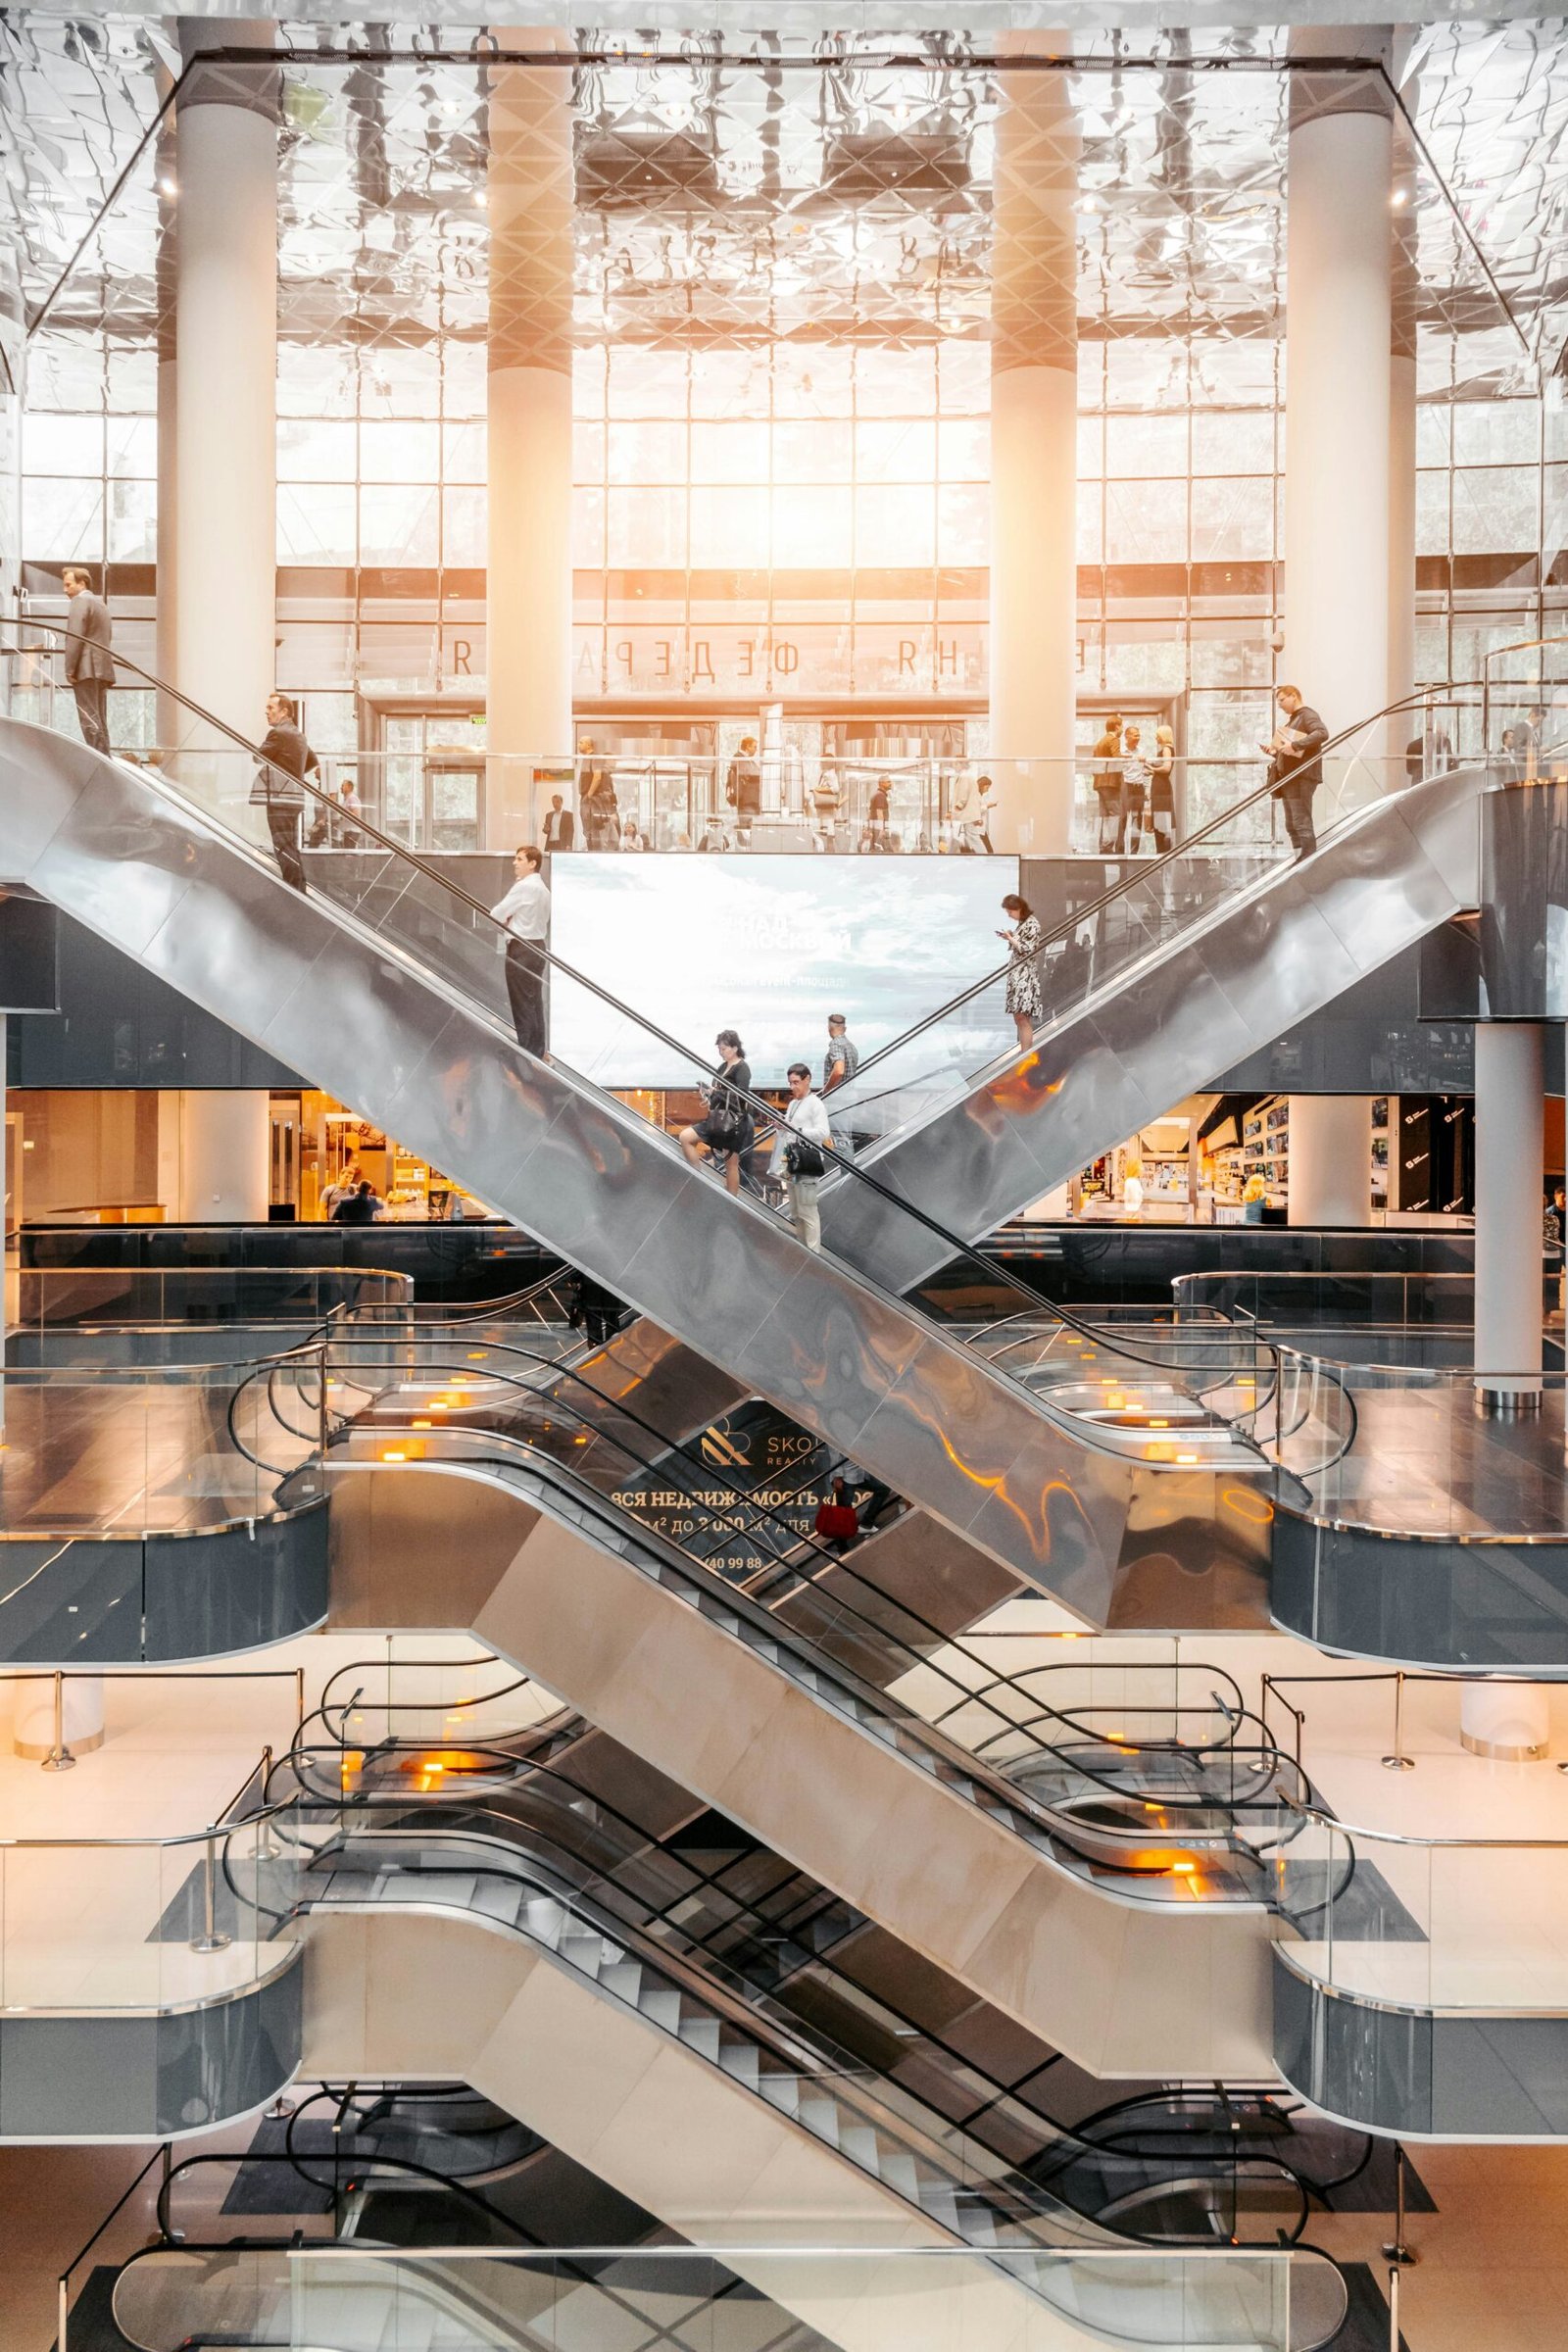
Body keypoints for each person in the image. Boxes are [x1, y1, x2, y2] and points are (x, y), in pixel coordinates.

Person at [251, 692, 319, 894]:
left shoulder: (278, 733)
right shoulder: (298, 734)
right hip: (294, 798)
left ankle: (293, 890)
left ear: (284, 711)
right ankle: (299, 887)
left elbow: (257, 757)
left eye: (271, 708)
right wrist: (291, 772)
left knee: (283, 847)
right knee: (290, 846)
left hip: (280, 799)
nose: (267, 711)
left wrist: (282, 774)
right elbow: (312, 761)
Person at [490, 844, 551, 1058]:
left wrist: (505, 920)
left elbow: (497, 913)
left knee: (521, 1003)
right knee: (534, 1002)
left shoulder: (524, 887)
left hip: (521, 948)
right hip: (538, 948)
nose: (515, 863)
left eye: (520, 859)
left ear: (532, 863)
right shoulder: (543, 889)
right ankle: (537, 1050)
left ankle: (525, 1053)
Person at [678, 1029, 754, 1199]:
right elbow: (718, 1092)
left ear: (735, 1048)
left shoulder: (742, 1068)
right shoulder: (723, 1067)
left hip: (733, 1121)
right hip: (718, 1118)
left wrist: (715, 1093)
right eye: (719, 1049)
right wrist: (709, 1093)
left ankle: (731, 1201)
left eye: (724, 1048)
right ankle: (699, 1178)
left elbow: (741, 1096)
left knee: (731, 1164)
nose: (721, 1052)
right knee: (686, 1137)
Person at [1262, 684, 1329, 861]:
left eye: (1282, 700)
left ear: (1294, 696)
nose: (1280, 705)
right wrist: (1275, 751)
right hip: (1290, 779)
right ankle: (1299, 859)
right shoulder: (1293, 719)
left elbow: (1322, 733)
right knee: (1292, 825)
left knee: (1301, 823)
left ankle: (1308, 863)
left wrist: (1295, 745)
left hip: (1301, 777)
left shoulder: (1307, 715)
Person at [772, 1059, 833, 1250]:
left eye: (796, 1082)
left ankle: (814, 1252)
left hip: (807, 1163)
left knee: (807, 1211)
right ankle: (803, 1248)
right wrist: (782, 1128)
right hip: (792, 1161)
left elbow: (823, 1132)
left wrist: (797, 1129)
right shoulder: (793, 1104)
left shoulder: (815, 1104)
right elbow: (790, 1131)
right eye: (790, 1083)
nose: (793, 1087)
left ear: (807, 1080)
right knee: (796, 1211)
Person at [61, 564, 114, 755]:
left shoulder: (79, 602)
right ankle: (105, 758)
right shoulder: (101, 604)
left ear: (82, 584)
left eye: (68, 585)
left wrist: (69, 669)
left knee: (88, 718)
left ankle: (98, 761)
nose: (65, 590)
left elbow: (75, 636)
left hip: (85, 669)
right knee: (99, 718)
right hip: (102, 669)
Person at [999, 892, 1044, 1054]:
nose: (1010, 915)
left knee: (1022, 1016)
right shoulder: (1024, 924)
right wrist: (1011, 937)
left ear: (1018, 908)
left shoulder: (1032, 924)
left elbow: (1027, 948)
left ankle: (1025, 1053)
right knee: (1019, 1016)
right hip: (1018, 974)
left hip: (1025, 976)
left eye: (1010, 912)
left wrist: (1011, 939)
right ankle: (1024, 1051)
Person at [822, 1011, 859, 1162]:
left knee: (840, 1142)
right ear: (844, 1028)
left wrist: (827, 1090)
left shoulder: (836, 1044)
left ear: (829, 1028)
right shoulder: (851, 1046)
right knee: (844, 1139)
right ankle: (848, 1175)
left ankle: (847, 1178)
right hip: (849, 1098)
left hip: (838, 1100)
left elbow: (839, 1070)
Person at [1091, 717, 1124, 854]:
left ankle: (1103, 846)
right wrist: (1130, 758)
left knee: (1104, 815)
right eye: (1121, 726)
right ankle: (1108, 845)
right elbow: (1116, 758)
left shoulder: (1100, 742)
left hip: (1100, 783)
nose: (1122, 729)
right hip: (1110, 783)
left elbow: (1094, 761)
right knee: (1115, 814)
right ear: (1116, 727)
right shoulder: (1113, 739)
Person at [568, 1269, 625, 1348]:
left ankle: (596, 1345)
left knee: (595, 1318)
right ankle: (612, 1344)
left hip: (592, 1284)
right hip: (608, 1282)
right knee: (609, 1317)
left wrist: (575, 1277)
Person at [1117, 723, 1152, 854]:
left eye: (1139, 735)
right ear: (1127, 736)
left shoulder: (1141, 751)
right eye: (1135, 735)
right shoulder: (1120, 752)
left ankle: (1134, 852)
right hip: (1126, 786)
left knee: (1137, 820)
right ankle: (1120, 851)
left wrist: (1147, 788)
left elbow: (1145, 770)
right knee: (1123, 819)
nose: (1138, 738)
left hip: (1139, 787)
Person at [579, 739, 618, 850]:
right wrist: (589, 796)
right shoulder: (601, 775)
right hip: (600, 813)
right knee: (601, 841)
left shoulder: (608, 777)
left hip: (606, 813)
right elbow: (602, 793)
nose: (614, 765)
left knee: (613, 840)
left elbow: (611, 797)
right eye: (612, 762)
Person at [727, 736, 762, 849]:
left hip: (751, 802)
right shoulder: (739, 759)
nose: (756, 750)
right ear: (747, 747)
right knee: (746, 834)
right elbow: (750, 775)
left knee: (751, 833)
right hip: (747, 802)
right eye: (754, 747)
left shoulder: (747, 760)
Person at [813, 1473, 861, 1554]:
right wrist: (838, 1477)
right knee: (844, 1510)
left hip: (848, 1477)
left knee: (843, 1511)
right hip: (845, 1478)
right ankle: (842, 1544)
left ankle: (842, 1544)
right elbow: (837, 1460)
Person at [1149, 725, 1177, 853]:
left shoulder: (1166, 749)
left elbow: (1166, 768)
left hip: (1161, 788)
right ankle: (1162, 850)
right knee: (1160, 820)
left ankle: (1163, 852)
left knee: (1162, 821)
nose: (1156, 737)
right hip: (1160, 787)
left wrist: (1152, 769)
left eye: (1158, 735)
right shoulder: (1166, 749)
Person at [867, 774, 892, 852]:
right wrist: (882, 830)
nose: (890, 783)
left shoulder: (878, 794)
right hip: (879, 829)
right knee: (878, 849)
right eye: (888, 782)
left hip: (876, 828)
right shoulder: (880, 795)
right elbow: (879, 812)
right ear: (881, 783)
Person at [975, 774, 998, 853]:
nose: (987, 790)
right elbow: (975, 810)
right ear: (982, 786)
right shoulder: (975, 796)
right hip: (977, 829)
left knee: (988, 851)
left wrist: (988, 805)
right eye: (987, 787)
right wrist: (987, 806)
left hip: (981, 829)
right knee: (989, 851)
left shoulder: (980, 796)